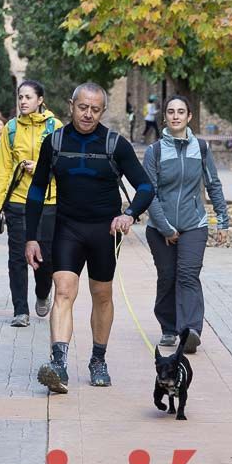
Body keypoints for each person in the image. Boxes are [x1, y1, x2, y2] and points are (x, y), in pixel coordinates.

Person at [25, 83, 154, 394]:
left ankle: (98, 359)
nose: (88, 114)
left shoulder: (115, 144)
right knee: (64, 292)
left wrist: (130, 214)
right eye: (83, 107)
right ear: (72, 105)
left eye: (95, 110)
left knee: (102, 296)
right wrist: (31, 238)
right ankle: (58, 364)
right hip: (66, 227)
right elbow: (36, 191)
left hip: (104, 232)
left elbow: (146, 187)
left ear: (102, 111)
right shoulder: (54, 142)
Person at [142, 95, 229, 354]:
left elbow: (213, 184)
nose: (176, 116)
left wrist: (222, 221)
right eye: (171, 111)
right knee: (167, 277)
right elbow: (149, 193)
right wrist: (166, 228)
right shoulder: (154, 152)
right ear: (165, 117)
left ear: (189, 116)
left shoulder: (200, 148)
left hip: (194, 225)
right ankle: (169, 328)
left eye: (181, 111)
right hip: (160, 229)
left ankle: (190, 330)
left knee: (188, 275)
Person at [0, 80, 61, 327]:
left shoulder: (56, 127)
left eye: (28, 97)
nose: (23, 101)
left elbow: (63, 164)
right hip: (18, 202)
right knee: (17, 257)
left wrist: (41, 168)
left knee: (46, 257)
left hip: (48, 201)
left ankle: (43, 292)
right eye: (20, 97)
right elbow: (2, 169)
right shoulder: (11, 129)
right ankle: (20, 310)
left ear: (40, 100)